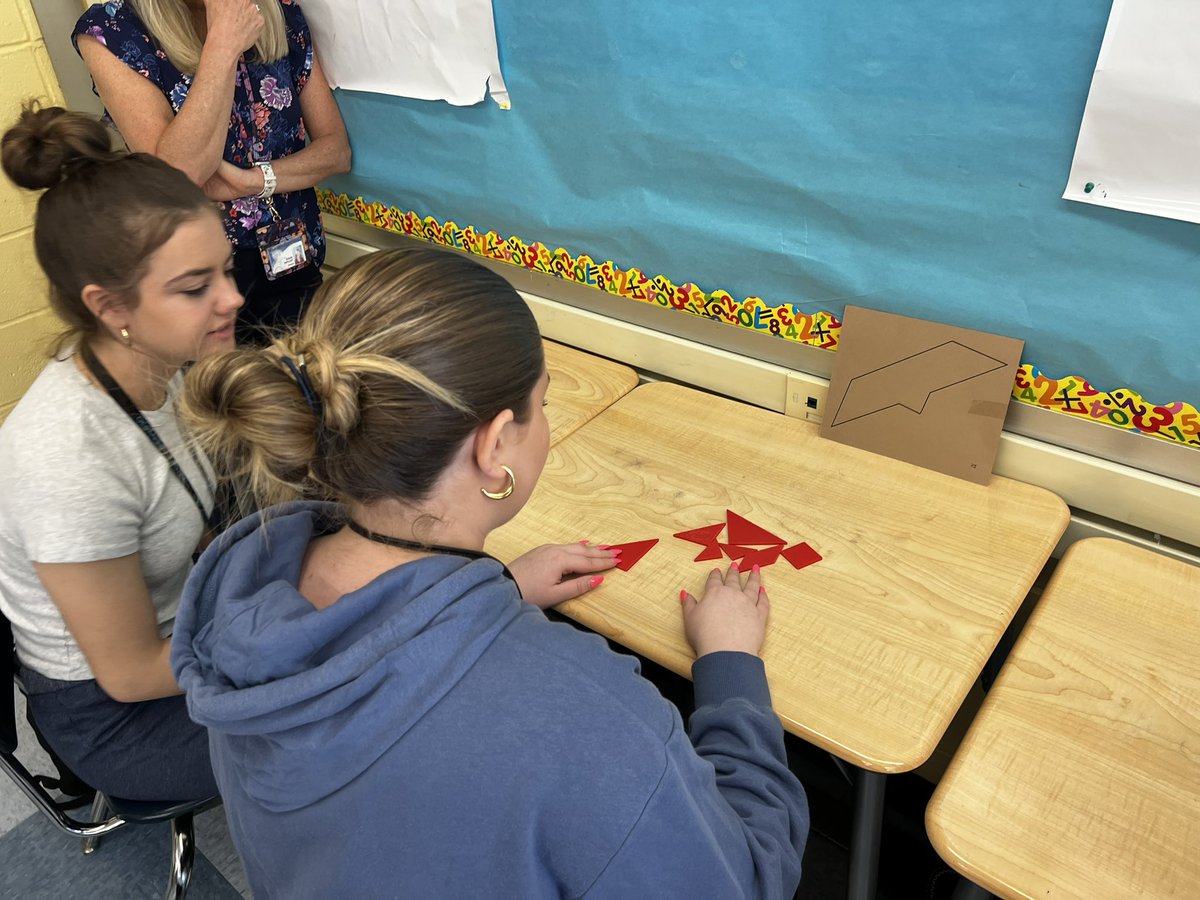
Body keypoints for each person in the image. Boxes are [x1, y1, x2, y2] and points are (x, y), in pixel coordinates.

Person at [172, 247, 809, 898]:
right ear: (495, 443)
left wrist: (494, 590)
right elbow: (746, 880)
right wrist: (731, 666)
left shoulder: (241, 606)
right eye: (543, 403)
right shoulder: (580, 718)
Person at [0, 104, 243, 801]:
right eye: (195, 288)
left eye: (225, 270)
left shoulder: (162, 367)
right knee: (354, 717)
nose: (232, 299)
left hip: (184, 625)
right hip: (117, 713)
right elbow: (130, 674)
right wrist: (282, 641)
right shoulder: (68, 458)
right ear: (110, 309)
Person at [73, 0, 351, 344]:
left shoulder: (278, 10)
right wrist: (223, 44)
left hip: (294, 256)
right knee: (221, 380)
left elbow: (336, 152)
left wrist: (252, 182)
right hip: (196, 284)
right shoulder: (110, 30)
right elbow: (178, 177)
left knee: (307, 373)